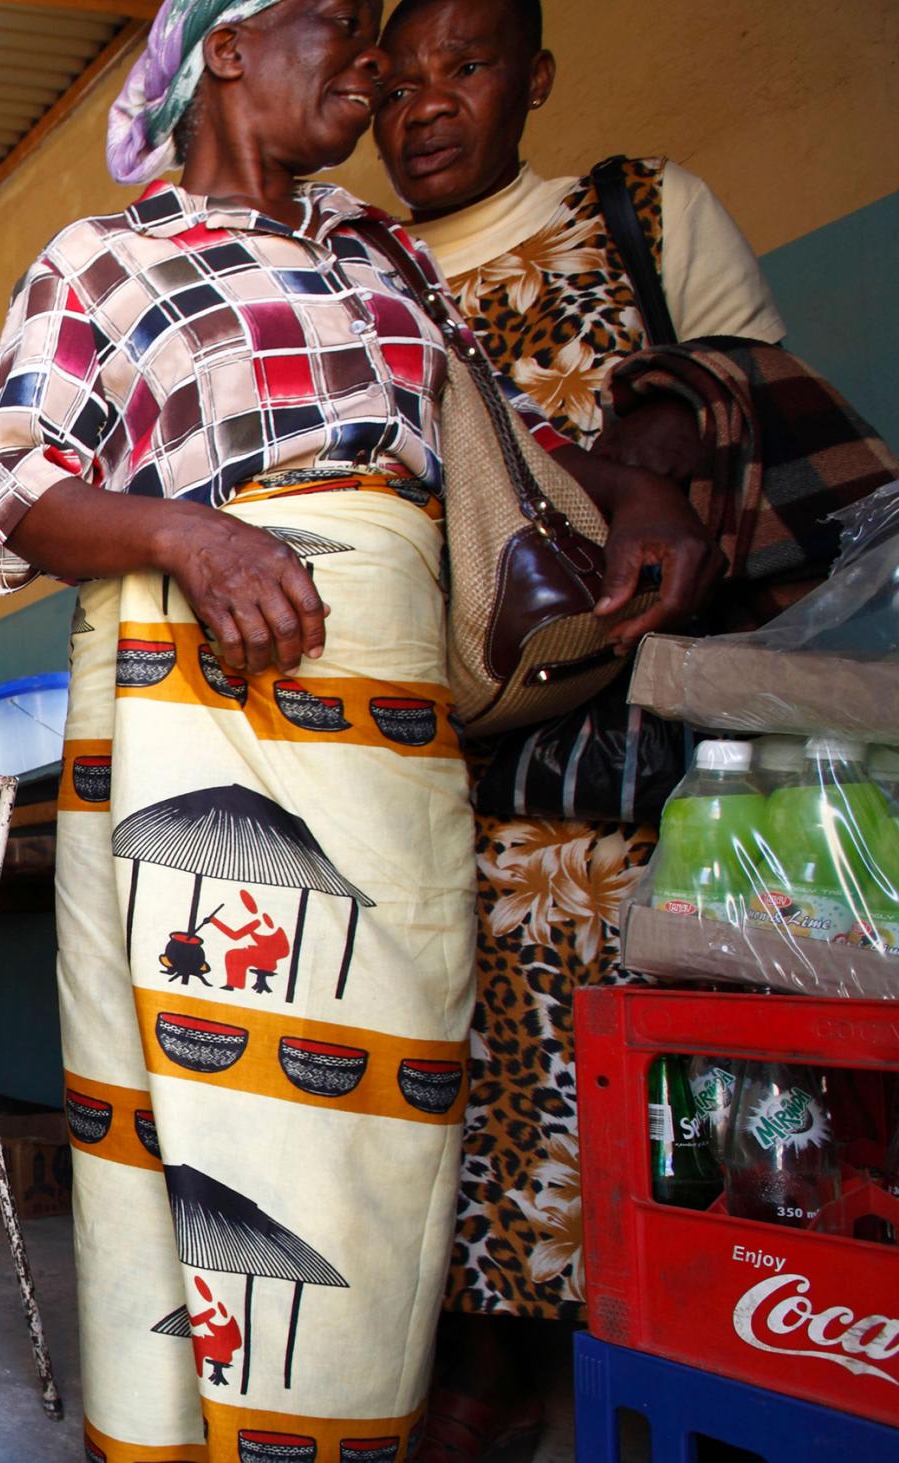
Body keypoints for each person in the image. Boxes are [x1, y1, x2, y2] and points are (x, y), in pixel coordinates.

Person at [0, 1, 696, 1454]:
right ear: (228, 47)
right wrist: (187, 535)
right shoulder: (103, 257)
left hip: (389, 725)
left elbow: (502, 450)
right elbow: (15, 489)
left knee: (374, 1132)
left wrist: (642, 493)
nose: (371, 62)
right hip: (184, 694)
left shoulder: (383, 253)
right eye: (338, 26)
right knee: (174, 1114)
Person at [372, 1, 831, 1453]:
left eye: (465, 68)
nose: (424, 106)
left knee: (643, 1041)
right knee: (465, 1051)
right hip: (443, 728)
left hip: (630, 715)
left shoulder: (636, 211)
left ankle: (666, 1340)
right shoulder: (362, 269)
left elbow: (741, 391)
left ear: (536, 80)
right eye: (397, 81)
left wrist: (639, 466)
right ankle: (485, 1359)